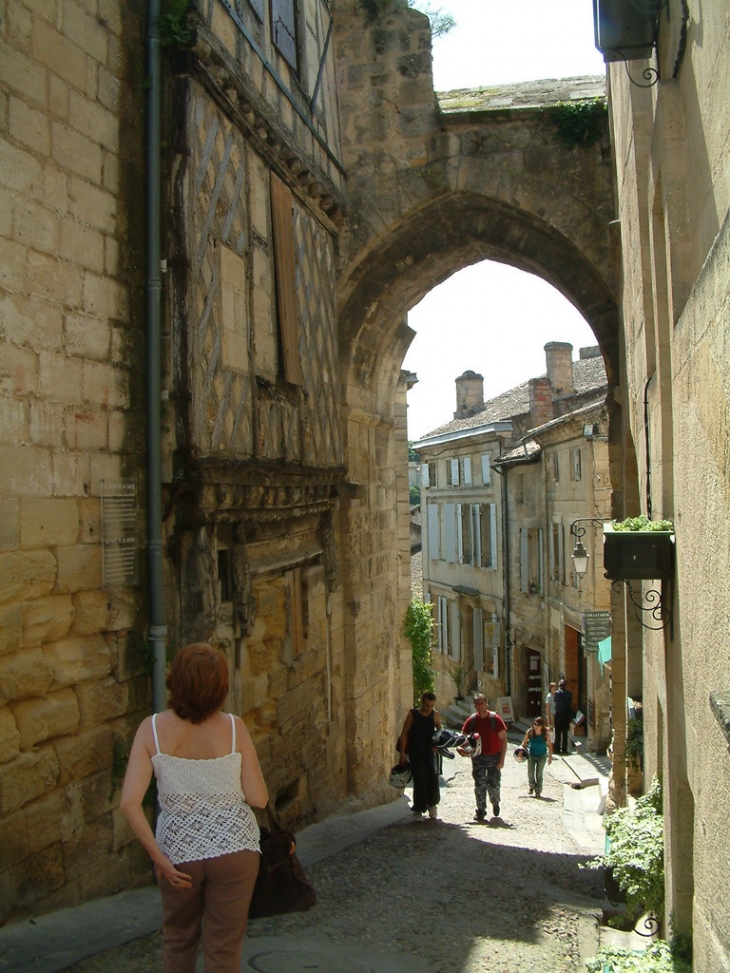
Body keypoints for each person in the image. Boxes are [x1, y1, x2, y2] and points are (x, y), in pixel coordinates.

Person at [121, 643, 269, 973]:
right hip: (235, 848)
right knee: (223, 949)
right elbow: (259, 798)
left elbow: (130, 803)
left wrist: (159, 859)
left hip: (178, 853)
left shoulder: (152, 730)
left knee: (178, 940)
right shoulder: (234, 729)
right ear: (221, 687)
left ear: (176, 680)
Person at [461, 694, 508, 820]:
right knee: (479, 783)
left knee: (494, 783)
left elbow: (503, 739)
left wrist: (502, 759)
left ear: (486, 704)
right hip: (478, 758)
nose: (480, 706)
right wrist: (463, 749)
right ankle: (481, 809)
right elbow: (463, 738)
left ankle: (495, 801)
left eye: (482, 703)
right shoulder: (472, 721)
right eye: (477, 704)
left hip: (494, 756)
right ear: (475, 706)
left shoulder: (495, 719)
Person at [398, 691, 442, 819]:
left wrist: (437, 746)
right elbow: (404, 733)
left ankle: (432, 805)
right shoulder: (413, 715)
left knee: (432, 779)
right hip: (416, 751)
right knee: (419, 780)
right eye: (427, 705)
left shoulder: (435, 716)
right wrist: (403, 753)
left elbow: (440, 732)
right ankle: (419, 808)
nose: (429, 708)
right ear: (422, 702)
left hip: (430, 752)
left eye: (431, 706)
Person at [520, 716, 553, 797]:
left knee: (539, 773)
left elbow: (549, 745)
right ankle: (532, 786)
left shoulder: (545, 734)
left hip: (542, 755)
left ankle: (538, 790)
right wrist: (520, 752)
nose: (535, 726)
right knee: (530, 772)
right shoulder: (530, 732)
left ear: (541, 726)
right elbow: (524, 743)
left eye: (537, 725)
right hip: (532, 754)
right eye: (534, 724)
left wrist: (550, 757)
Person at [553, 678, 573, 755]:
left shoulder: (557, 693)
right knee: (565, 732)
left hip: (558, 714)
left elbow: (555, 701)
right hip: (566, 714)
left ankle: (557, 748)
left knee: (557, 732)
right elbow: (570, 702)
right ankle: (564, 749)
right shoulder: (569, 693)